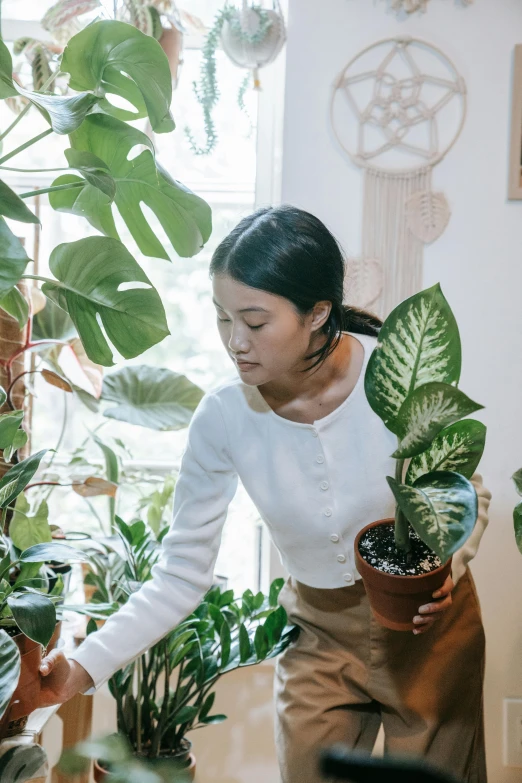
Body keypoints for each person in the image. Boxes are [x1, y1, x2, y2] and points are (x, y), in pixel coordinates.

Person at [38, 205, 491, 783]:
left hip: (432, 630)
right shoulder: (224, 417)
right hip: (320, 637)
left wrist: (449, 563)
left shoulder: (399, 376)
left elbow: (465, 492)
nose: (234, 342)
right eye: (223, 318)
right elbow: (181, 574)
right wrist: (81, 667)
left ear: (317, 314)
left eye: (254, 322)